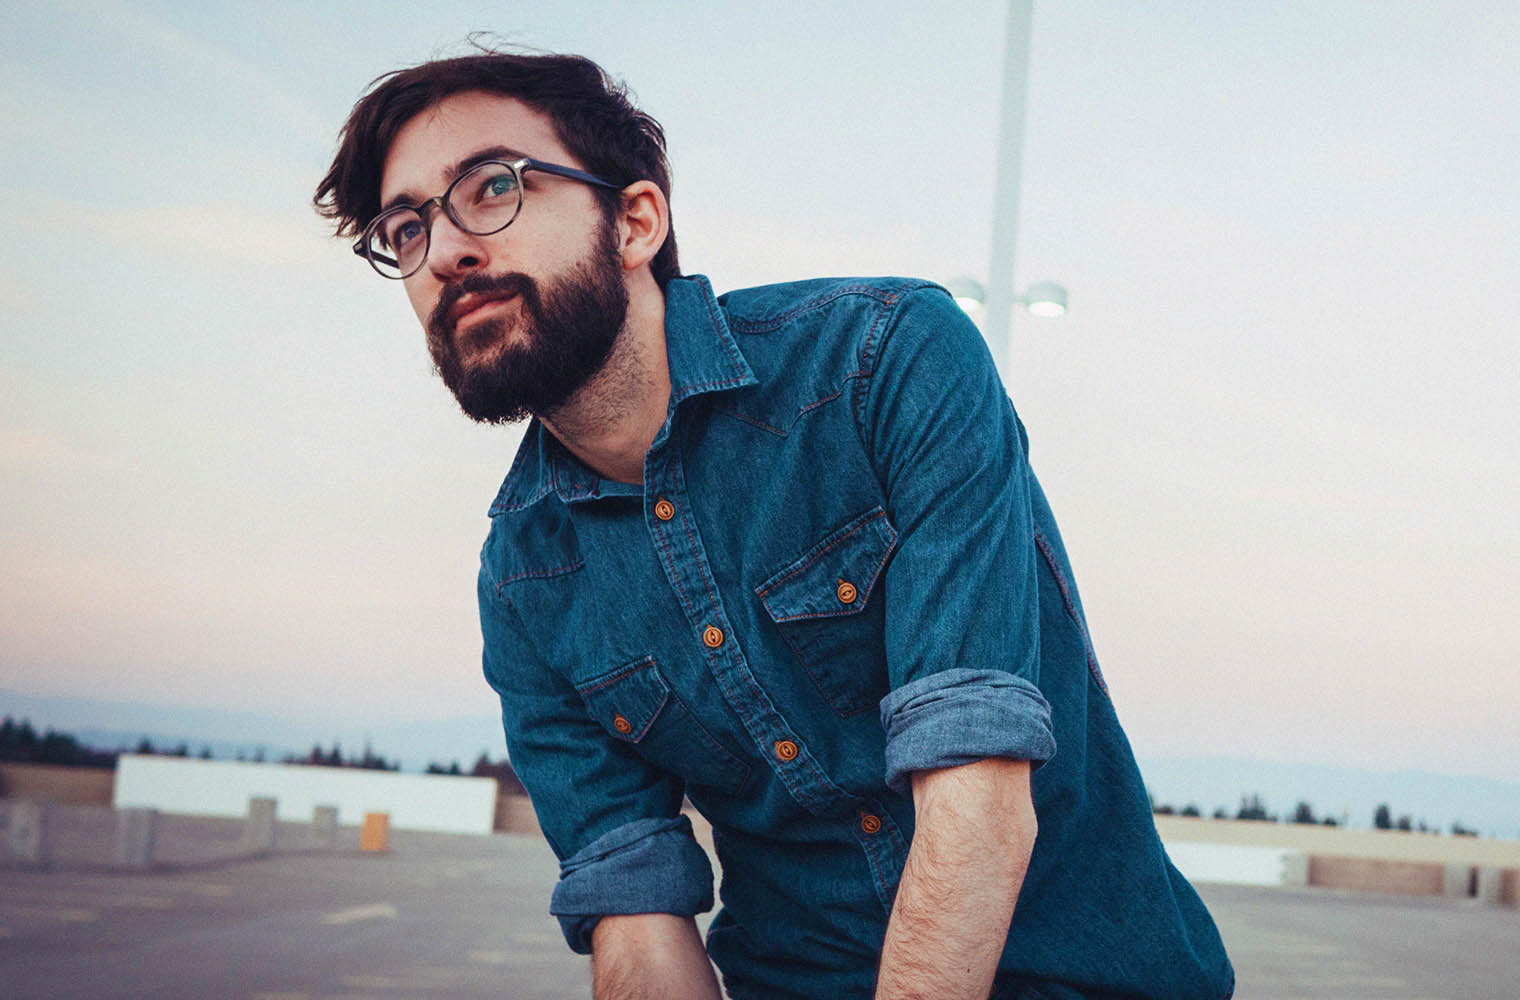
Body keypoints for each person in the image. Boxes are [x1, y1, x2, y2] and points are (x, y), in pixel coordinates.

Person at [315, 49, 1232, 1000]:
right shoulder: (524, 578)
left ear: (634, 222)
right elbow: (636, 920)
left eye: (493, 187)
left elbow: (977, 791)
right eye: (408, 227)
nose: (448, 251)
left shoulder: (884, 363)